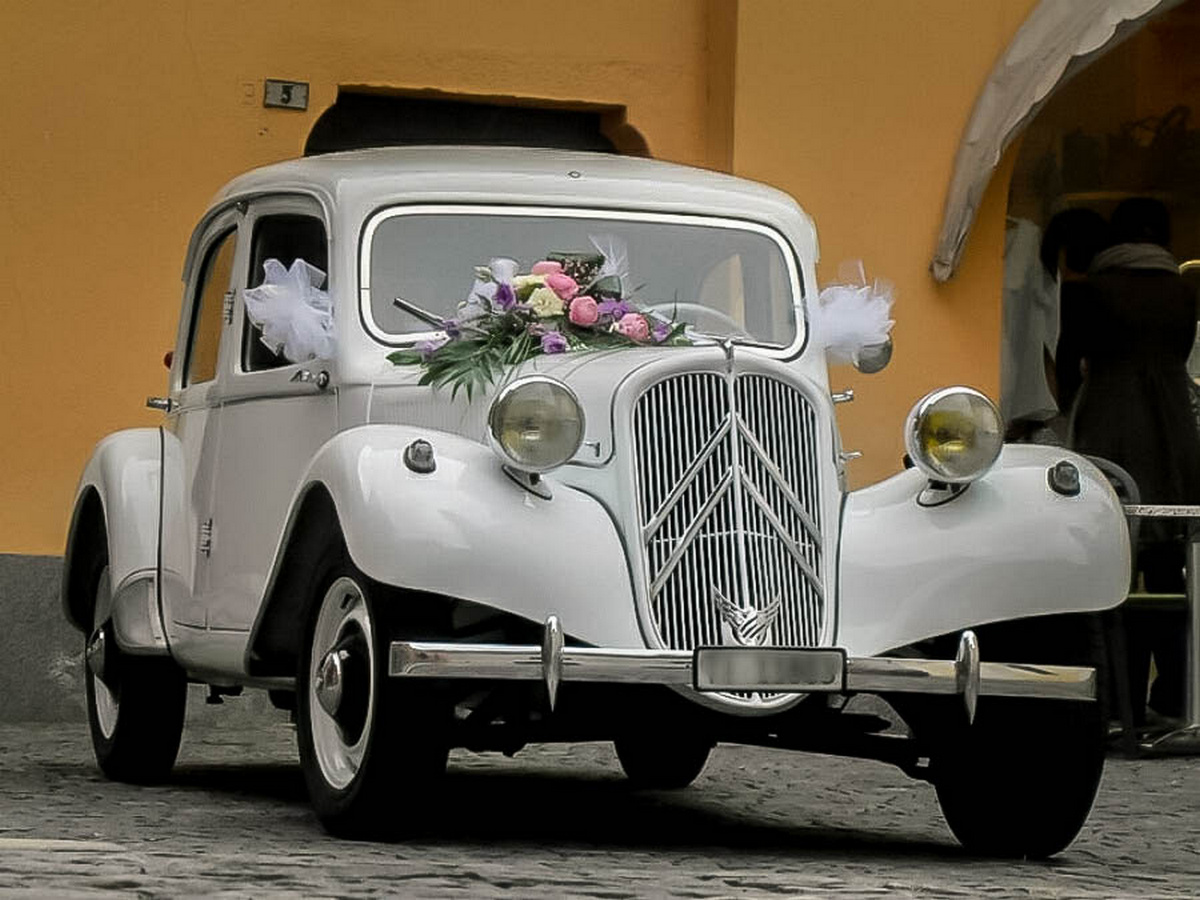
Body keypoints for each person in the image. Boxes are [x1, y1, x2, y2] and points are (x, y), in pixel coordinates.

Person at [1061, 198, 1200, 723]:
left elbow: (1073, 361)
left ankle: (1119, 699)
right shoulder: (1182, 292)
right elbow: (1179, 355)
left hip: (1110, 423)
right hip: (1173, 428)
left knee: (1113, 563)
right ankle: (1176, 695)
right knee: (1171, 567)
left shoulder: (1088, 292)